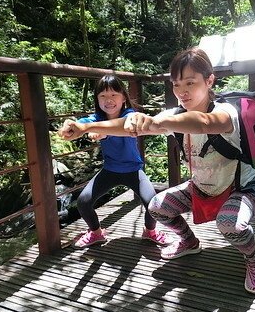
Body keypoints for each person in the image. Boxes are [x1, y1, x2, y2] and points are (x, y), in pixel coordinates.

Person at [61, 49, 255, 294]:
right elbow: (131, 125)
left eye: (190, 83)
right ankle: (189, 242)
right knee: (157, 206)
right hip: (201, 187)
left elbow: (203, 123)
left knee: (230, 224)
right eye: (176, 84)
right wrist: (85, 127)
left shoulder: (226, 112)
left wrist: (156, 123)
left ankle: (254, 260)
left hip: (242, 187)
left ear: (209, 80)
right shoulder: (174, 116)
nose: (182, 91)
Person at [57, 75, 171, 248]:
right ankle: (96, 233)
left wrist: (102, 131)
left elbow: (124, 124)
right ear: (97, 99)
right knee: (83, 202)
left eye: (113, 95)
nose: (108, 100)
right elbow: (79, 124)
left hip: (133, 171)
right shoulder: (95, 119)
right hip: (109, 170)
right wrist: (68, 128)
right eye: (102, 96)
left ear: (123, 97)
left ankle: (150, 231)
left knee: (152, 204)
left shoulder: (130, 115)